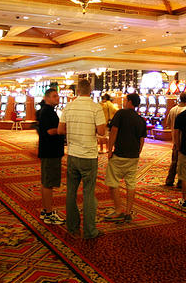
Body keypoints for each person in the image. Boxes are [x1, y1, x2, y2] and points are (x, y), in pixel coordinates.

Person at [58, 78, 107, 239]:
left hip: (73, 154)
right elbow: (101, 132)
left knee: (71, 192)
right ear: (90, 91)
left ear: (77, 90)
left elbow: (60, 130)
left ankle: (72, 227)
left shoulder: (69, 106)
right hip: (88, 156)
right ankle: (89, 231)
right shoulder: (95, 107)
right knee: (88, 194)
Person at [103, 93, 147, 223]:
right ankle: (128, 212)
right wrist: (137, 152)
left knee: (113, 182)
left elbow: (114, 132)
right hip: (133, 156)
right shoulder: (141, 119)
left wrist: (110, 150)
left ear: (129, 101)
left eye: (125, 100)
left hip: (120, 154)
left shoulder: (120, 114)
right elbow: (142, 140)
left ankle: (118, 210)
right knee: (131, 183)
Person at [37, 88, 65, 225]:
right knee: (48, 183)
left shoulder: (48, 111)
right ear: (47, 98)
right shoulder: (47, 112)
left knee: (46, 182)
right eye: (54, 96)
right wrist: (63, 130)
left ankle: (45, 210)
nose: (57, 98)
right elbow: (50, 131)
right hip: (50, 151)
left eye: (58, 96)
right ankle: (48, 213)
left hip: (49, 150)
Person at [163, 92, 186, 187]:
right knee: (183, 163)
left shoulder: (173, 109)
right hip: (184, 139)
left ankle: (169, 180)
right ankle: (181, 182)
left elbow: (168, 123)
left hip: (175, 139)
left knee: (174, 161)